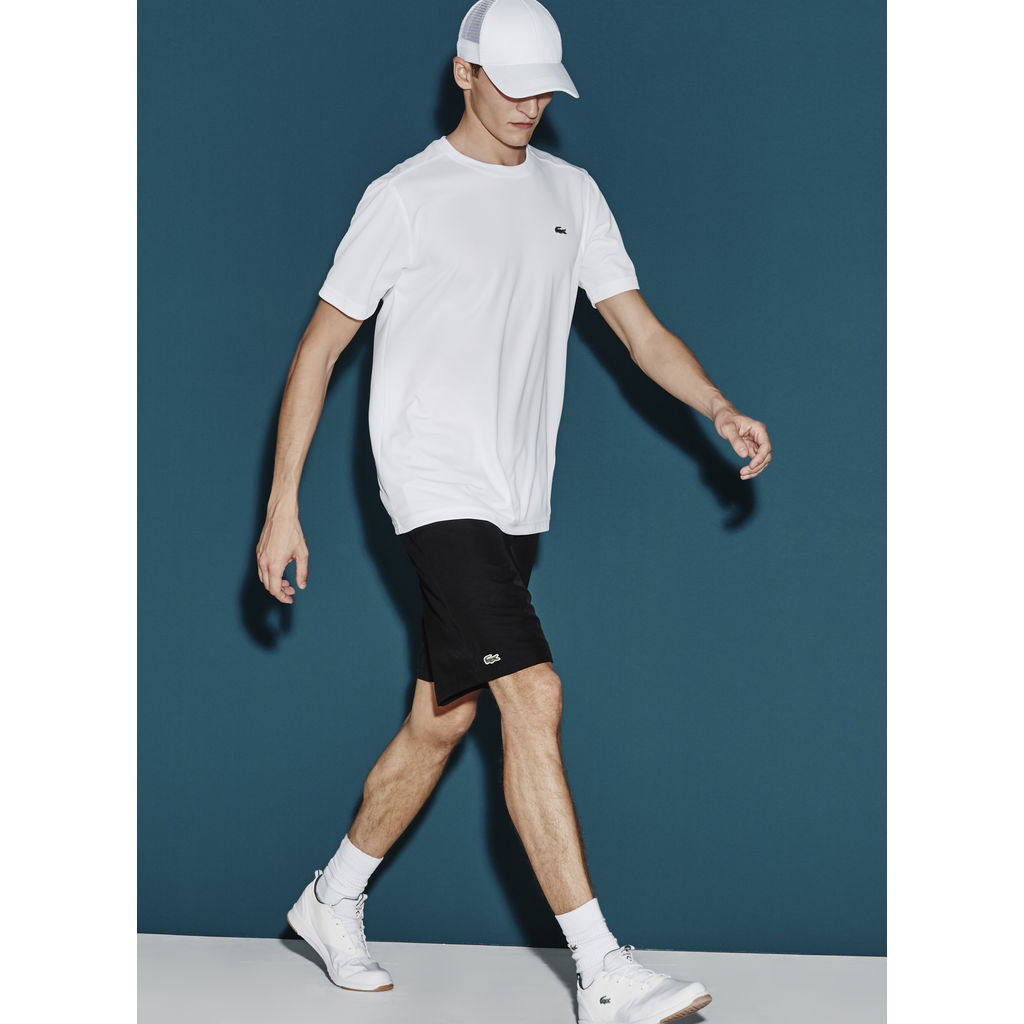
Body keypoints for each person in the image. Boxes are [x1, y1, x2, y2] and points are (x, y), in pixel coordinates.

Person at [256, 1, 771, 1020]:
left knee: (441, 717)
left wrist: (716, 404)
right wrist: (282, 506)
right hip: (431, 484)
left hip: (514, 497)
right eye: (512, 84)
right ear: (465, 72)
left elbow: (637, 328)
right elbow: (318, 350)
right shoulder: (404, 198)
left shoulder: (572, 194)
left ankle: (331, 898)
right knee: (532, 696)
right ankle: (601, 969)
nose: (531, 105)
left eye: (546, 88)